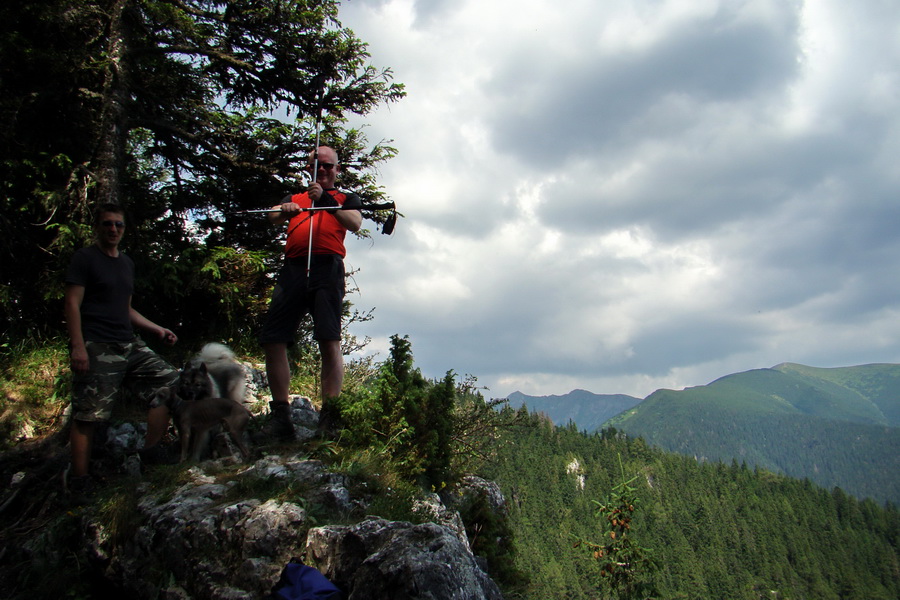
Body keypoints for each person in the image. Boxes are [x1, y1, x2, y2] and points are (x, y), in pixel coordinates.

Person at [63, 203, 179, 489]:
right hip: (97, 345)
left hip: (129, 344)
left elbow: (126, 308)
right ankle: (78, 480)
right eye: (107, 224)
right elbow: (72, 303)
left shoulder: (126, 263)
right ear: (98, 227)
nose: (113, 229)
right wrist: (78, 346)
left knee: (173, 384)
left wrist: (157, 329)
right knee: (88, 414)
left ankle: (150, 452)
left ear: (124, 229)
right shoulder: (85, 259)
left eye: (118, 224)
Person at [259, 146, 362, 439]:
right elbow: (272, 216)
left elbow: (354, 222)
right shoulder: (297, 198)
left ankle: (330, 417)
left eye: (328, 165)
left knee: (328, 338)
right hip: (293, 268)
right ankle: (281, 416)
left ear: (337, 169)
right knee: (273, 338)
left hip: (327, 268)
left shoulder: (343, 198)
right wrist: (286, 209)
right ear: (308, 168)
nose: (323, 170)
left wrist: (325, 199)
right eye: (317, 165)